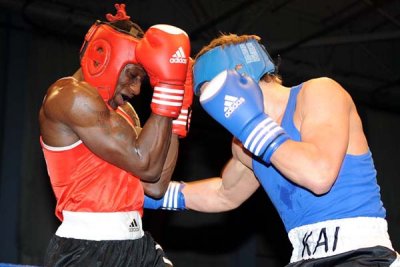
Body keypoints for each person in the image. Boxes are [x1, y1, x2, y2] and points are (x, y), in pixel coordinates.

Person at [143, 33, 400, 266]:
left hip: (363, 254)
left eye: (212, 92)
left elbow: (319, 176)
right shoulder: (245, 142)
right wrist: (146, 196)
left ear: (239, 73)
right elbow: (224, 193)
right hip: (304, 259)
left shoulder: (318, 93)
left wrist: (252, 125)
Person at [39, 3, 192, 266]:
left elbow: (156, 185)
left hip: (136, 244)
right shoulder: (68, 95)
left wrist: (178, 112)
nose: (136, 89)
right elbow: (144, 163)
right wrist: (168, 89)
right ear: (104, 56)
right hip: (86, 250)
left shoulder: (126, 112)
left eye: (142, 79)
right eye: (133, 75)